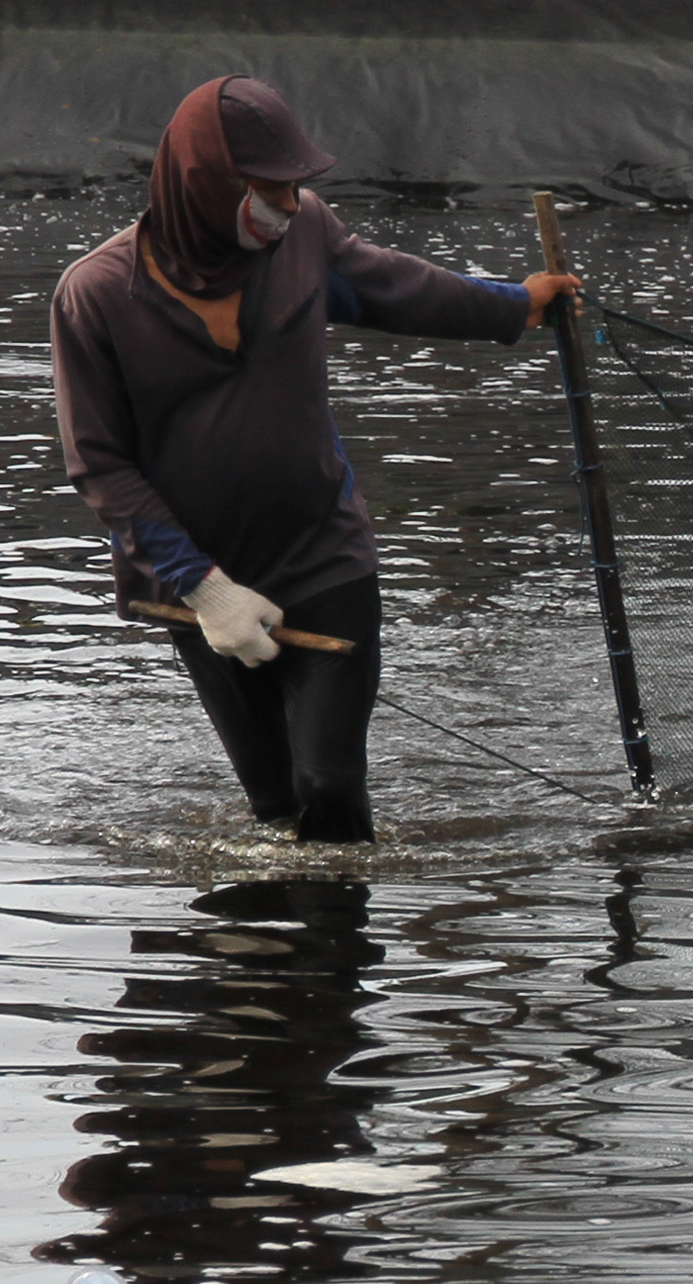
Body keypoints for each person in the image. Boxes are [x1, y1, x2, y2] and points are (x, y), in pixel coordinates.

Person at [49, 77, 575, 846]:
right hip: (197, 589)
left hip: (324, 558)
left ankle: (332, 960)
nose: (287, 206)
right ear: (204, 184)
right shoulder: (94, 294)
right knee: (274, 804)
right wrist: (205, 589)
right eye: (266, 189)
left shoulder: (301, 240)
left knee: (330, 789)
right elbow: (100, 467)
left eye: (294, 188)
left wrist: (513, 305)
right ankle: (278, 964)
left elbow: (398, 288)